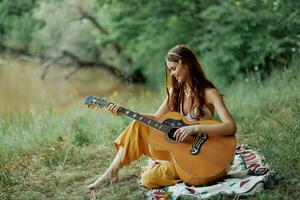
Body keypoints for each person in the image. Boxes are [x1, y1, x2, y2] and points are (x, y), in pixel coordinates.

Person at [86, 44, 236, 189]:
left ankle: (163, 163)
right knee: (138, 124)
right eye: (169, 70)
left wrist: (194, 128)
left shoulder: (209, 93)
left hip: (202, 155)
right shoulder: (175, 92)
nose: (172, 74)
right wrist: (122, 111)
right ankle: (112, 172)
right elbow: (157, 118)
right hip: (181, 150)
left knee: (148, 178)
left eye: (173, 68)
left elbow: (230, 126)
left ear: (187, 65)